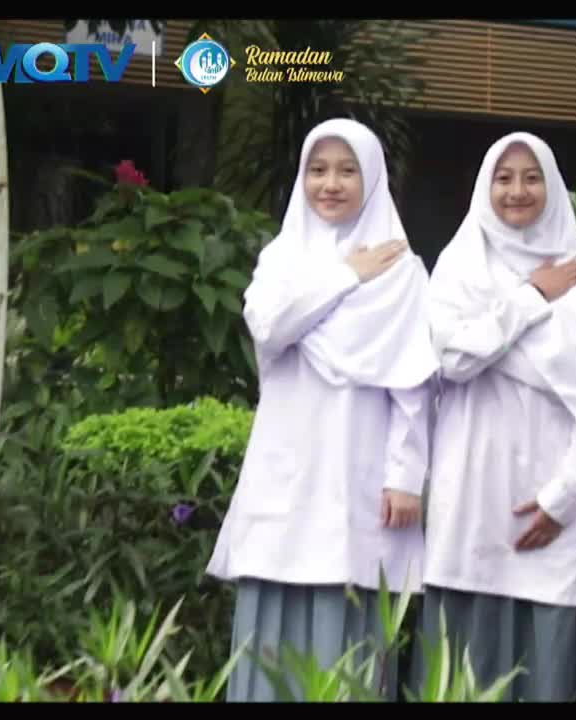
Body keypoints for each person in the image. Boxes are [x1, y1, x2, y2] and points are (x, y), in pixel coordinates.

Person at [204, 118, 439, 702]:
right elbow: (270, 323)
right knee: (276, 594)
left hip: (356, 467)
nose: (330, 184)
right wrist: (344, 275)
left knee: (349, 597)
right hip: (287, 460)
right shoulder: (282, 259)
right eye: (318, 169)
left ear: (373, 178)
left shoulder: (403, 271)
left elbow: (414, 386)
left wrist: (405, 478)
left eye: (346, 170)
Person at [416, 132, 576, 702]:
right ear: (485, 187)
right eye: (504, 178)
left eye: (532, 178)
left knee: (549, 664)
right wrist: (531, 295)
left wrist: (565, 499)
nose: (518, 191)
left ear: (551, 187)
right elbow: (451, 358)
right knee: (465, 662)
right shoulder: (457, 268)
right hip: (474, 492)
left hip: (555, 504)